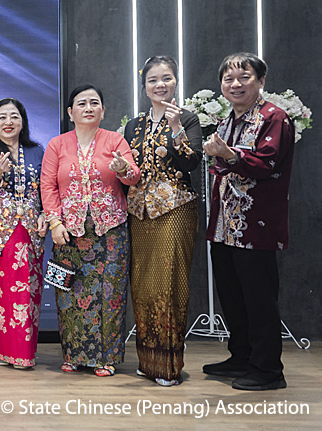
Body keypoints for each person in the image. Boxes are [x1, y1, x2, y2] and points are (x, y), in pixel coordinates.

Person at [202, 53, 293, 391]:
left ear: (261, 81)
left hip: (257, 226)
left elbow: (266, 163)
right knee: (232, 295)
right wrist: (223, 159)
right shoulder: (227, 121)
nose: (235, 84)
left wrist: (227, 156)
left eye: (244, 77)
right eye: (228, 79)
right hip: (225, 224)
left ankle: (269, 370)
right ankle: (242, 356)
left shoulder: (274, 118)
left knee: (259, 297)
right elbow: (220, 167)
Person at [41, 84, 140, 377]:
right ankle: (73, 354)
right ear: (71, 112)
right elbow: (47, 186)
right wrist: (54, 223)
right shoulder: (57, 145)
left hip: (110, 231)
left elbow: (133, 177)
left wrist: (122, 167)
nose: (88, 108)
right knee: (68, 292)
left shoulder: (115, 139)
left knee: (109, 294)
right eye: (81, 103)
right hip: (68, 233)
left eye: (94, 103)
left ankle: (105, 358)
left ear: (103, 110)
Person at [123, 56, 203, 386]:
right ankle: (148, 362)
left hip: (174, 209)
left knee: (168, 286)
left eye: (166, 78)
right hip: (139, 212)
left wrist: (175, 130)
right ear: (144, 87)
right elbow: (130, 170)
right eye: (153, 80)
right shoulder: (134, 125)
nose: (160, 84)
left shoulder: (187, 117)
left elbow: (191, 162)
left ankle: (169, 366)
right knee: (142, 287)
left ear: (175, 82)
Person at [0, 98, 47, 370]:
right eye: (2, 117)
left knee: (27, 291)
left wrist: (44, 216)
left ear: (22, 121)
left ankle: (24, 353)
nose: (8, 122)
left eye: (14, 116)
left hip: (29, 229)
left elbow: (45, 192)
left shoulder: (37, 151)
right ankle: (3, 351)